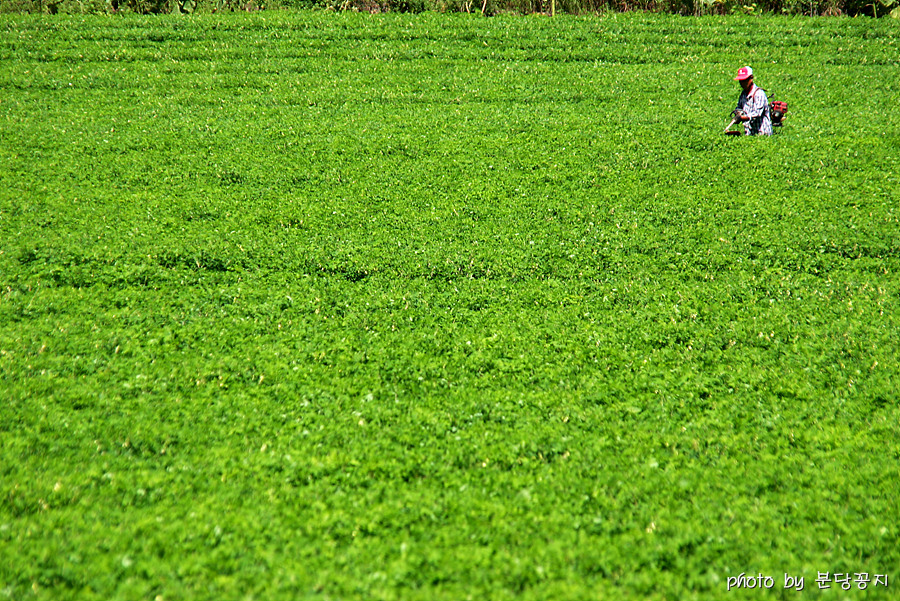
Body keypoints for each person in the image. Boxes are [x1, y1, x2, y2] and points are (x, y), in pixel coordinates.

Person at [733, 66, 772, 136]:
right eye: (740, 81)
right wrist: (737, 113)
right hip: (750, 132)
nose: (742, 83)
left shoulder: (759, 94)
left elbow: (757, 113)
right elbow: (739, 107)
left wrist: (741, 118)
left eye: (744, 80)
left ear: (751, 78)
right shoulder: (743, 94)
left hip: (762, 133)